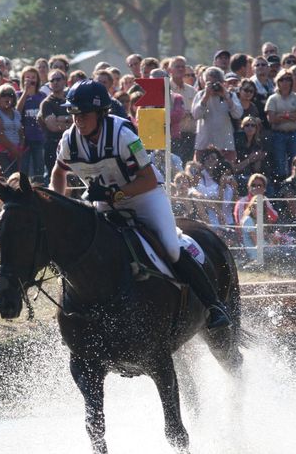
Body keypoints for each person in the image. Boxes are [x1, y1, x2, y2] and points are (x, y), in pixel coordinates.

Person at [49, 79, 231, 329]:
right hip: (105, 203)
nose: (78, 119)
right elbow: (59, 173)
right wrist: (55, 203)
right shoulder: (69, 141)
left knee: (171, 247)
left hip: (145, 197)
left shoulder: (123, 135)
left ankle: (213, 305)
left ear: (101, 113)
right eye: (74, 113)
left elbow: (145, 179)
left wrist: (116, 195)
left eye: (84, 113)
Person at [192, 66, 242, 162]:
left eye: (216, 83)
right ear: (204, 83)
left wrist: (226, 96)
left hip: (225, 144)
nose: (214, 86)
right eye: (210, 83)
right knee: (201, 173)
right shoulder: (200, 95)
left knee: (226, 174)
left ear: (222, 82)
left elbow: (238, 114)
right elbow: (196, 115)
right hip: (204, 145)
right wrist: (206, 97)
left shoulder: (230, 95)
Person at [265, 70, 296, 185]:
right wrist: (289, 116)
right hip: (278, 135)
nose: (285, 82)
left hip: (294, 134)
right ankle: (281, 189)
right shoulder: (273, 98)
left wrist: (281, 115)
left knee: (295, 162)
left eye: (288, 79)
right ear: (278, 82)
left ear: (291, 82)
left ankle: (295, 187)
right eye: (282, 79)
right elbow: (271, 119)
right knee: (280, 164)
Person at [38, 70, 71, 177]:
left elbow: (80, 121)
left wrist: (61, 118)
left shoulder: (71, 100)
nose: (55, 82)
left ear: (65, 81)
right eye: (52, 80)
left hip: (71, 145)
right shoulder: (47, 103)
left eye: (58, 79)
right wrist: (71, 120)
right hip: (53, 146)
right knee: (56, 178)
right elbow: (53, 127)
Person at [16, 66, 46, 182]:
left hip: (39, 138)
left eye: (33, 77)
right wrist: (25, 93)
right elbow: (17, 112)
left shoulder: (42, 96)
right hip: (25, 139)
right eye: (27, 77)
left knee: (39, 168)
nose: (31, 80)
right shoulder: (18, 95)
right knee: (24, 169)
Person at [0, 84, 24, 175]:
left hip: (15, 153)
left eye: (10, 95)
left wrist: (20, 148)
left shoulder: (16, 113)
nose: (7, 98)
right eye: (4, 95)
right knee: (5, 178)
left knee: (15, 179)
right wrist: (13, 150)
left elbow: (21, 133)